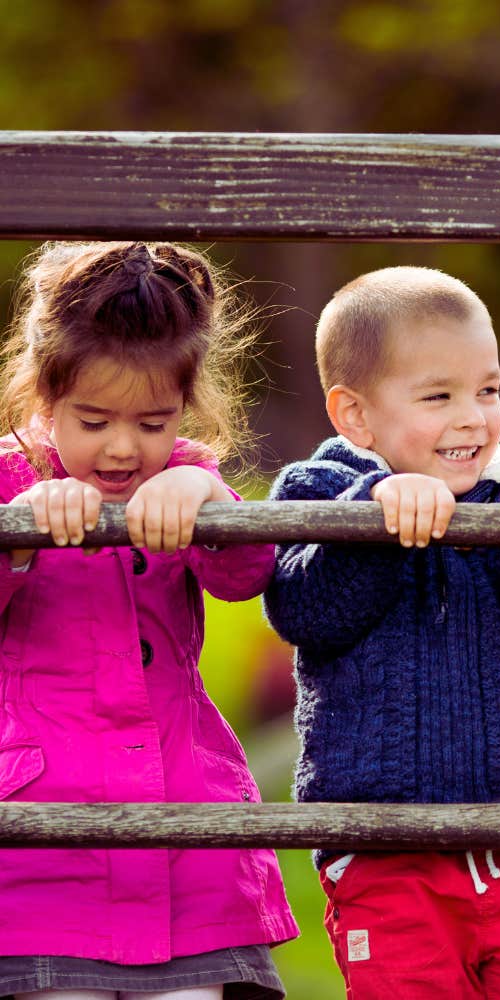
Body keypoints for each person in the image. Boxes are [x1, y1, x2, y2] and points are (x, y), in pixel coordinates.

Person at [262, 265, 500, 1000]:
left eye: (487, 391)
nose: (473, 418)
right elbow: (306, 611)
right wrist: (373, 515)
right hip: (387, 845)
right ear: (355, 417)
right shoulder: (318, 492)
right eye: (438, 396)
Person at [0, 242, 298, 1000]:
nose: (125, 446)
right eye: (93, 421)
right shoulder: (9, 477)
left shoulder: (185, 475)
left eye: (154, 421)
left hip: (182, 840)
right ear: (44, 398)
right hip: (42, 853)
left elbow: (245, 578)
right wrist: (20, 536)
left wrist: (206, 496)